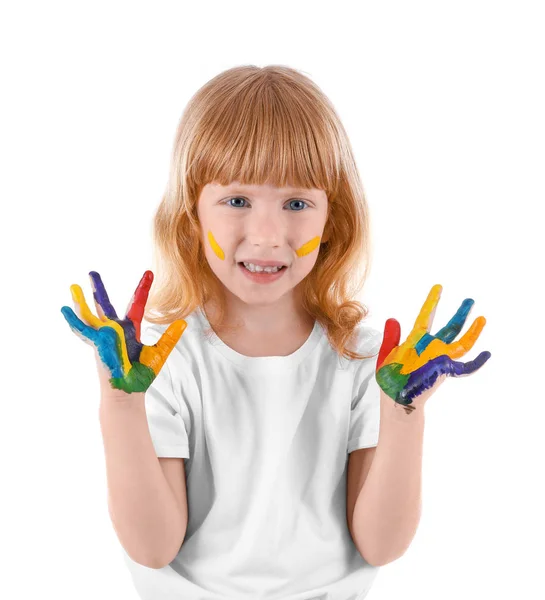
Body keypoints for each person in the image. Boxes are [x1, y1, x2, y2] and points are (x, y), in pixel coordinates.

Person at [61, 64, 490, 600]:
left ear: (333, 220)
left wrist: (406, 412)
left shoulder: (367, 359)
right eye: (237, 201)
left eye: (296, 203)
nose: (266, 235)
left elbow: (381, 545)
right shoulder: (158, 361)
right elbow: (153, 547)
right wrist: (119, 406)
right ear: (193, 215)